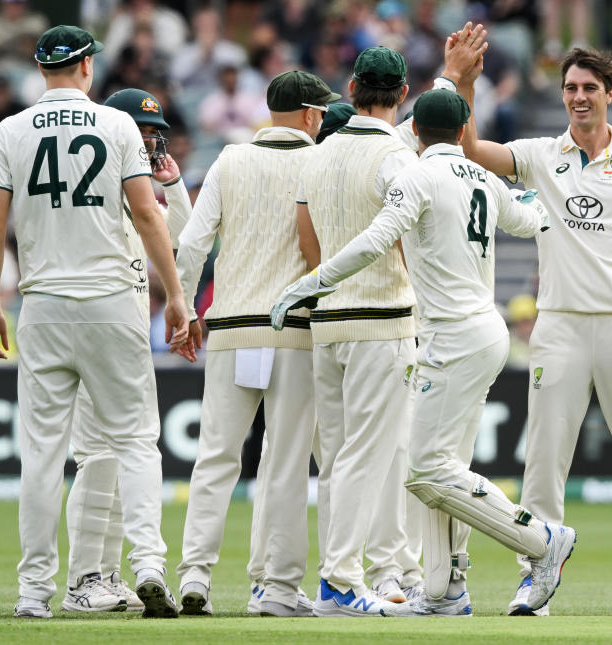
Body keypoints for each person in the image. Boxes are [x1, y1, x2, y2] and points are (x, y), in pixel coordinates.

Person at [272, 88, 576, 618]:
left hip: (453, 338)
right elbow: (535, 221)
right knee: (443, 469)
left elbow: (374, 242)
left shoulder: (416, 176)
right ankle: (444, 589)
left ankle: (542, 541)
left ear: (414, 133)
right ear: (463, 132)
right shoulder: (484, 178)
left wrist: (310, 284)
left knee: (425, 470)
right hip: (486, 329)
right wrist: (541, 196)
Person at [459, 47, 612, 616]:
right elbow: (468, 150)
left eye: (590, 87)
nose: (579, 97)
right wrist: (463, 82)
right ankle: (535, 573)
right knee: (543, 459)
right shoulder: (542, 155)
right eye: (570, 88)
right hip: (558, 324)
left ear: (611, 93)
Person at [0, 25, 189, 619]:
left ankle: (33, 593)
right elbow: (147, 214)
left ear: (42, 69)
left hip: (41, 302)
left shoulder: (10, 131)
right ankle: (147, 564)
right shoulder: (117, 125)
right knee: (136, 441)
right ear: (88, 67)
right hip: (112, 300)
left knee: (42, 453)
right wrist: (175, 296)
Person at [172, 70, 340, 618]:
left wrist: (184, 311)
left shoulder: (229, 158)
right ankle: (275, 586)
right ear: (313, 116)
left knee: (215, 457)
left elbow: (194, 242)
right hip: (293, 331)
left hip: (228, 328)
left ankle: (195, 576)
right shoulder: (321, 161)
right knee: (285, 462)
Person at [283, 46, 419, 617]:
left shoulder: (317, 152)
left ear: (353, 87)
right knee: (369, 456)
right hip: (381, 320)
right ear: (402, 94)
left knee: (339, 459)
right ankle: (341, 581)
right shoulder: (398, 155)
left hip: (328, 323)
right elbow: (406, 239)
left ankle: (342, 576)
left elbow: (308, 240)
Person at [61, 87, 192, 614]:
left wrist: (175, 185)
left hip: (126, 339)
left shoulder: (144, 195)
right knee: (100, 457)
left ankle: (104, 577)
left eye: (151, 132)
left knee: (117, 461)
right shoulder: (94, 196)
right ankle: (85, 579)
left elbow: (181, 235)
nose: (146, 141)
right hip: (95, 335)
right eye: (136, 131)